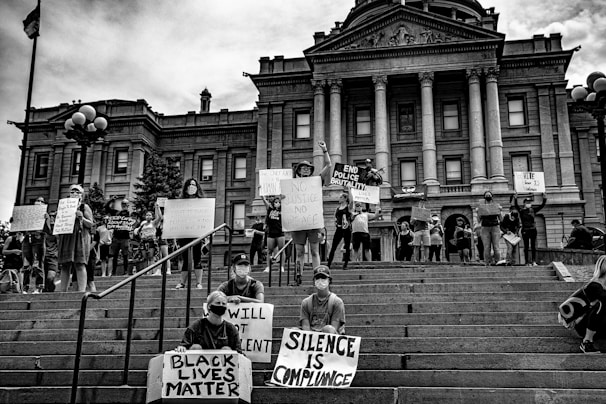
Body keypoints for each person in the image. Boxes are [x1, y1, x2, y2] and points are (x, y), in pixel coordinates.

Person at [292, 140, 332, 279]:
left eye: (308, 167)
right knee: (299, 252)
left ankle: (318, 276)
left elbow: (329, 165)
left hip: (313, 222)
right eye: (303, 167)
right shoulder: (292, 185)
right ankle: (298, 275)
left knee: (315, 251)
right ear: (298, 170)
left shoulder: (316, 180)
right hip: (298, 223)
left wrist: (325, 150)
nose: (306, 169)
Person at [175, 290, 242, 353]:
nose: (221, 305)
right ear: (209, 306)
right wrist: (182, 348)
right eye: (218, 303)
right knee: (196, 347)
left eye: (223, 304)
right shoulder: (196, 326)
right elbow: (184, 345)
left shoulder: (231, 329)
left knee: (226, 349)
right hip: (199, 363)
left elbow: (238, 351)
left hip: (224, 364)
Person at [57, 184, 93, 292]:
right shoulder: (63, 206)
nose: (75, 193)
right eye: (72, 191)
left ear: (82, 195)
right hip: (67, 237)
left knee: (79, 263)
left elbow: (91, 224)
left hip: (80, 237)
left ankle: (81, 291)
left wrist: (81, 217)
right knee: (65, 264)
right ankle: (63, 290)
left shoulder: (84, 207)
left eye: (77, 192)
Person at [175, 178, 206, 290]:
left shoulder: (202, 202)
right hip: (184, 232)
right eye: (189, 185)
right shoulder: (181, 202)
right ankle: (182, 283)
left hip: (197, 232)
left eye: (194, 184)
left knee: (197, 258)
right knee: (185, 259)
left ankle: (198, 283)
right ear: (186, 187)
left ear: (197, 187)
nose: (192, 186)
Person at [300, 265, 346, 335]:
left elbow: (334, 328)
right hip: (311, 338)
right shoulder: (306, 302)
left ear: (329, 280)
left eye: (323, 277)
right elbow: (305, 327)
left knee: (328, 329)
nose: (320, 280)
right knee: (293, 330)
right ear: (314, 281)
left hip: (329, 340)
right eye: (318, 278)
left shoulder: (337, 302)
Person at [21, 196, 47, 293]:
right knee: (26, 263)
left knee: (37, 264)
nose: (39, 202)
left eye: (41, 201)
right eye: (37, 201)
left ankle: (38, 287)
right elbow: (21, 227)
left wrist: (46, 219)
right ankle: (25, 287)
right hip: (28, 239)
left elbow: (49, 230)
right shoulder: (28, 214)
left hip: (39, 240)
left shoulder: (45, 215)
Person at [513, 193, 547, 266]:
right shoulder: (522, 211)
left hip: (533, 229)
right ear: (524, 203)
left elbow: (542, 206)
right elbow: (516, 206)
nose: (528, 204)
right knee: (526, 246)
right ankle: (527, 262)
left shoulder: (533, 210)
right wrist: (515, 198)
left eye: (529, 202)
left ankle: (533, 261)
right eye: (527, 202)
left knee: (533, 246)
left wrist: (544, 198)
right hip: (525, 230)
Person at [105, 196, 133, 276]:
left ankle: (125, 271)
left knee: (125, 255)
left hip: (125, 237)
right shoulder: (116, 213)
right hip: (116, 237)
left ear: (128, 205)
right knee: (115, 255)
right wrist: (111, 200)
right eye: (123, 204)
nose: (124, 205)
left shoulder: (129, 213)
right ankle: (113, 272)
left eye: (126, 204)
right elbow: (107, 207)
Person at [327, 193, 352, 269]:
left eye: (341, 197)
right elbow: (335, 216)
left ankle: (345, 264)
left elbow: (352, 201)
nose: (339, 198)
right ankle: (328, 264)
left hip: (346, 228)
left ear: (345, 198)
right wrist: (335, 222)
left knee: (347, 246)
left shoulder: (348, 207)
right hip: (339, 228)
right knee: (333, 246)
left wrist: (349, 189)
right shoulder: (338, 208)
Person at [134, 204, 162, 271]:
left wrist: (157, 208)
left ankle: (151, 270)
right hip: (143, 241)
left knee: (151, 256)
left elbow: (160, 217)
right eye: (147, 215)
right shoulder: (143, 223)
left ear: (152, 217)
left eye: (149, 215)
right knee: (144, 256)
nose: (148, 216)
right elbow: (138, 230)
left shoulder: (153, 223)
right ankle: (146, 270)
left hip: (151, 241)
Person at [261, 195, 284, 273]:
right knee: (269, 251)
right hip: (271, 232)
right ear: (273, 203)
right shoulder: (270, 209)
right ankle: (268, 267)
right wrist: (262, 196)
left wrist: (282, 197)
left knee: (281, 250)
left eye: (278, 202)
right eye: (275, 202)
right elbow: (265, 201)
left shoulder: (282, 210)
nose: (277, 203)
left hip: (280, 232)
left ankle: (281, 267)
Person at [479, 191, 501, 265]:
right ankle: (487, 262)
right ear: (484, 197)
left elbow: (501, 219)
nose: (488, 196)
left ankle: (497, 261)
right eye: (486, 195)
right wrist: (478, 212)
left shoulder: (496, 205)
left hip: (495, 226)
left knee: (496, 246)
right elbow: (479, 220)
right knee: (486, 246)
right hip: (485, 227)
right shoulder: (481, 206)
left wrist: (500, 211)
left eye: (489, 195)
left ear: (492, 196)